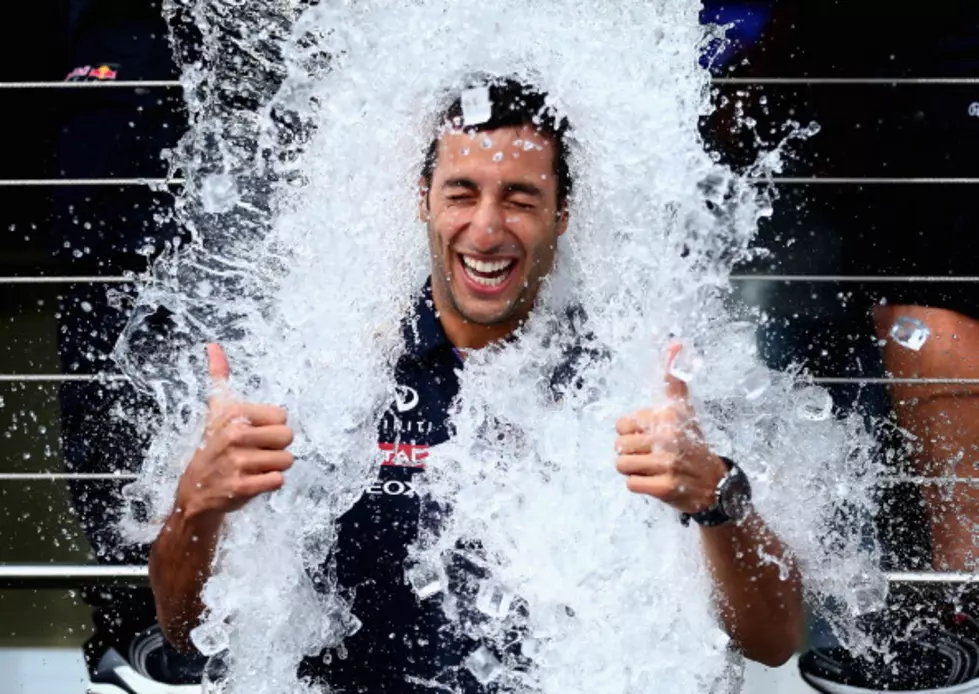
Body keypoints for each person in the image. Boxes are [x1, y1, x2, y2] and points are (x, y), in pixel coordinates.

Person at [148, 78, 804, 692]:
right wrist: (195, 508)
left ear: (562, 214)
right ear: (424, 200)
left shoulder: (633, 387)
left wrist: (719, 496)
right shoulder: (336, 377)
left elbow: (772, 642)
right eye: (462, 194)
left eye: (519, 200)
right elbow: (185, 628)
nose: (486, 231)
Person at [49, 1, 204, 691]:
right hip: (124, 56)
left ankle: (187, 619)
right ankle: (137, 623)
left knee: (231, 336)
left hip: (250, 62)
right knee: (103, 352)